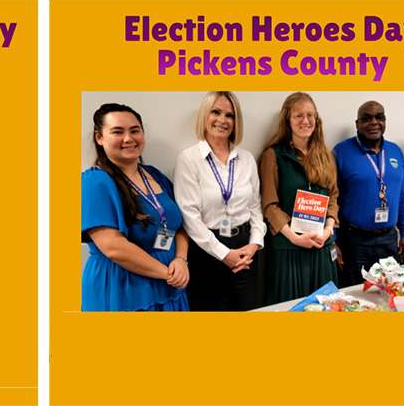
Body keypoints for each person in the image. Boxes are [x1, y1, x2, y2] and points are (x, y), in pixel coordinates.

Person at [81, 103, 190, 311]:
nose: (129, 139)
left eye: (135, 130)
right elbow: (113, 247)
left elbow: (180, 225)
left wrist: (181, 259)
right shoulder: (95, 182)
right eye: (117, 132)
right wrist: (169, 273)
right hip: (123, 287)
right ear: (99, 138)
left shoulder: (154, 174)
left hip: (170, 280)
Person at [174, 91, 266, 311]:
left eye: (230, 115)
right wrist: (224, 254)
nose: (222, 120)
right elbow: (190, 217)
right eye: (216, 112)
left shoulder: (246, 159)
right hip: (207, 250)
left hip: (246, 249)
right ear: (205, 116)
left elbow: (255, 207)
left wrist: (254, 244)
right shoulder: (188, 159)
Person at [258, 92, 339, 304]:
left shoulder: (326, 155)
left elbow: (333, 199)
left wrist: (328, 231)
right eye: (298, 116)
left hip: (321, 247)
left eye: (310, 115)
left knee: (326, 309)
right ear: (287, 120)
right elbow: (269, 205)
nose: (306, 121)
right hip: (289, 250)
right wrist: (294, 237)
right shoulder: (273, 155)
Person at [332, 101, 404, 287]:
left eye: (379, 117)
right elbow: (332, 199)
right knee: (357, 294)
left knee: (390, 291)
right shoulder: (341, 152)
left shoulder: (395, 151)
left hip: (389, 239)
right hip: (354, 241)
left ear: (385, 121)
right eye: (366, 118)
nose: (374, 122)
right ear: (357, 123)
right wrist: (333, 240)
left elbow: (403, 195)